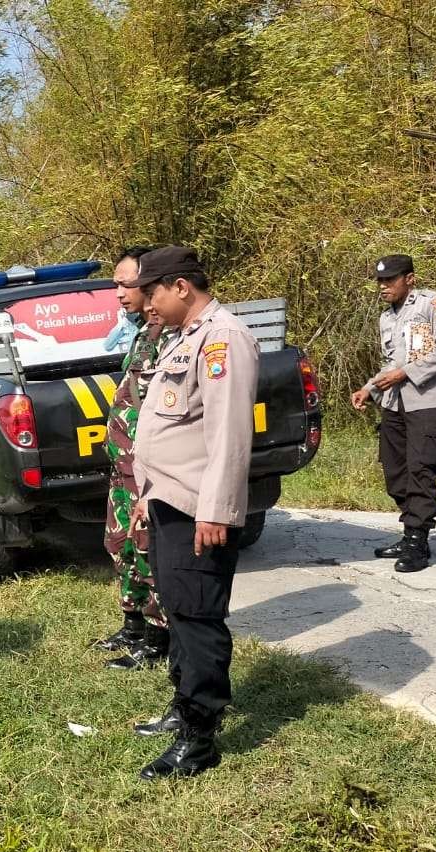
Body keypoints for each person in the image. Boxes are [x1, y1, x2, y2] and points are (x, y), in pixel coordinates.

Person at [127, 245, 259, 780]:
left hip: (197, 507)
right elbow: (169, 428)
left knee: (199, 615)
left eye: (152, 291)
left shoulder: (222, 339)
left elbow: (229, 434)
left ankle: (199, 737)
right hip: (168, 499)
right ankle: (183, 704)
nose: (145, 303)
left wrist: (217, 510)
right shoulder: (185, 339)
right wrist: (146, 492)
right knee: (179, 611)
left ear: (181, 286)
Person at [350, 255, 436, 573]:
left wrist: (405, 374)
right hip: (393, 403)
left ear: (409, 279)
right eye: (380, 281)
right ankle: (410, 532)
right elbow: (391, 363)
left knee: (421, 470)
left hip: (426, 402)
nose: (383, 286)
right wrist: (370, 389)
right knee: (395, 471)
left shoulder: (433, 304)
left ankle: (417, 541)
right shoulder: (387, 317)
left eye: (390, 280)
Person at [95, 245, 175, 671]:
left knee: (147, 551)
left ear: (149, 284)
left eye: (126, 283)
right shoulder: (144, 332)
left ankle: (158, 638)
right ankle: (133, 626)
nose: (119, 292)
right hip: (123, 469)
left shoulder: (170, 336)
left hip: (146, 474)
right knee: (121, 547)